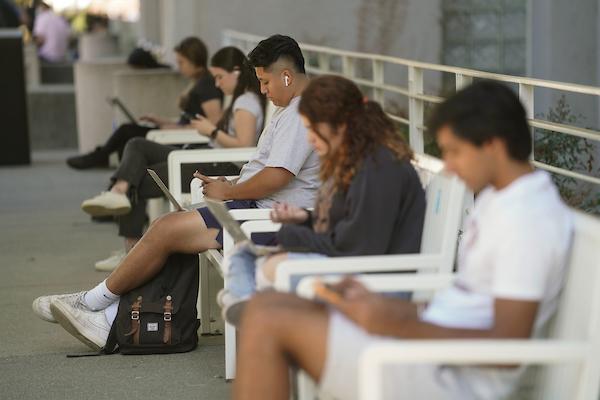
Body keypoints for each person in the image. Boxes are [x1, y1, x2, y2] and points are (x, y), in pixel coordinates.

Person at [232, 80, 573, 400]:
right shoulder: (501, 200)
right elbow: (462, 304)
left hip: (452, 378)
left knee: (266, 319)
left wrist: (391, 320)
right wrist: (386, 308)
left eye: (454, 151)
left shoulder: (528, 219)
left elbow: (507, 349)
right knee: (266, 307)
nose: (449, 168)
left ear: (493, 146)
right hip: (427, 350)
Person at [31, 34, 321, 352]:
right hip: (257, 210)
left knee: (167, 230)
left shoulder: (299, 112)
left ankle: (94, 303)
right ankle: (109, 315)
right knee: (170, 232)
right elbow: (275, 170)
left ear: (287, 76)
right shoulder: (296, 108)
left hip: (266, 221)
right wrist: (233, 180)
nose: (263, 91)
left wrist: (230, 189)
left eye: (265, 82)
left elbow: (279, 175)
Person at [219, 75, 426, 324]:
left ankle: (250, 306)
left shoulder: (378, 167)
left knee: (269, 267)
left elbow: (357, 247)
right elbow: (350, 226)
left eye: (311, 128)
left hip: (375, 283)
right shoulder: (356, 160)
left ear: (337, 124)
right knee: (241, 254)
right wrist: (306, 219)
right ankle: (249, 305)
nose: (309, 138)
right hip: (352, 266)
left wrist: (293, 234)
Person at [84, 46, 266, 272]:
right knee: (136, 145)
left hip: (220, 162)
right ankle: (119, 191)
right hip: (208, 153)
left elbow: (245, 146)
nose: (217, 84)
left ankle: (129, 244)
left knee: (137, 177)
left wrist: (211, 131)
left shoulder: (245, 102)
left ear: (237, 73)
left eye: (219, 77)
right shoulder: (240, 100)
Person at [66, 36, 222, 169]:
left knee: (127, 132)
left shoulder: (206, 84)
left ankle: (101, 159)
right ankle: (114, 174)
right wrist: (162, 121)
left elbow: (214, 125)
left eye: (181, 62)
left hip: (183, 139)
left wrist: (174, 128)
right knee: (126, 136)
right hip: (176, 133)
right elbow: (190, 118)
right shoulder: (198, 82)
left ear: (194, 61)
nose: (179, 67)